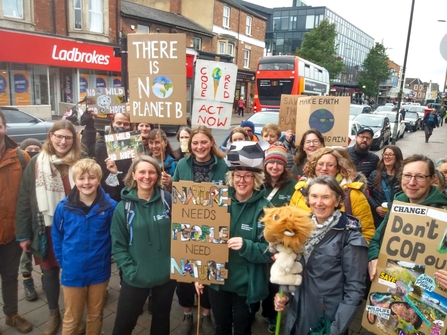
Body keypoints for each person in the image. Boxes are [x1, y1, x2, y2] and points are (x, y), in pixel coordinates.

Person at [275, 176, 368, 335]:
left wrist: (336, 328)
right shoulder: (300, 227)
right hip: (298, 309)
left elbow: (355, 288)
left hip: (326, 316)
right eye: (314, 196)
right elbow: (292, 266)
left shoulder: (349, 236)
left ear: (337, 200)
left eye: (326, 197)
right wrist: (284, 293)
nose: (319, 202)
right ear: (307, 199)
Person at [196, 140, 273, 334]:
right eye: (238, 175)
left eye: (248, 175)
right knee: (220, 328)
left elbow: (270, 251)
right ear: (231, 177)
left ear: (256, 178)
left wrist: (247, 245)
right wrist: (199, 272)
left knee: (242, 330)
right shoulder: (217, 201)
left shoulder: (267, 210)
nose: (242, 180)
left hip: (246, 287)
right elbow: (202, 238)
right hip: (217, 283)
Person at [16, 120, 83, 335]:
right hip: (46, 228)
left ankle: (75, 315)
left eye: (68, 137)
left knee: (75, 273)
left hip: (76, 230)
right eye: (59, 136)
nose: (63, 141)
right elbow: (24, 199)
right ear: (51, 136)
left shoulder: (80, 162)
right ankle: (54, 314)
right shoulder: (36, 162)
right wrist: (23, 234)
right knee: (50, 272)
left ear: (74, 140)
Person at [172, 126, 227, 335]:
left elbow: (228, 195)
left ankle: (206, 314)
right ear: (190, 145)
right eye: (195, 143)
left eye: (204, 142)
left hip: (213, 228)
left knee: (210, 274)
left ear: (211, 142)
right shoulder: (182, 165)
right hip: (186, 228)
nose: (199, 146)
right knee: (185, 276)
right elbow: (176, 193)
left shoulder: (223, 166)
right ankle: (187, 313)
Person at [52, 158, 117, 335]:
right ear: (74, 180)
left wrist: (108, 257)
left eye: (91, 178)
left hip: (99, 270)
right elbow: (57, 235)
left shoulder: (110, 207)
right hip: (72, 270)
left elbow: (115, 235)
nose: (86, 182)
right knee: (72, 317)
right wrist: (62, 260)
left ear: (99, 179)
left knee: (96, 315)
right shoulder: (63, 207)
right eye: (81, 178)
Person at [111, 156, 175, 335]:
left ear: (157, 175)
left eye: (151, 172)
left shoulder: (168, 201)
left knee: (162, 320)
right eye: (142, 172)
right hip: (136, 278)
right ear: (134, 175)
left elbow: (182, 234)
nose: (147, 176)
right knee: (124, 324)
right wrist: (131, 271)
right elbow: (118, 245)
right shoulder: (123, 208)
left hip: (166, 277)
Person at [368, 155, 447, 281]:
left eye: (420, 177)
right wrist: (373, 258)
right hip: (389, 283)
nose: (411, 182)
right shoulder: (398, 206)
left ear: (432, 179)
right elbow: (376, 241)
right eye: (407, 175)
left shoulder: (444, 214)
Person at [290, 147, 375, 243]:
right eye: (320, 164)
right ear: (314, 166)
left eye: (330, 165)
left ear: (338, 168)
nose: (324, 168)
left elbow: (367, 232)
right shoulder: (301, 191)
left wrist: (353, 254)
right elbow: (290, 224)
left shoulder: (353, 195)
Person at [0, 109, 33, 333]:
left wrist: (26, 230)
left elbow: (28, 197)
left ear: (4, 128)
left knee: (10, 276)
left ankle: (12, 314)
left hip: (10, 232)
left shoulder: (21, 157)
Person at [260, 142, 296, 333]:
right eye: (271, 163)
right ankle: (255, 308)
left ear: (284, 166)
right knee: (260, 275)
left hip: (281, 241)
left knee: (276, 280)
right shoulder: (258, 182)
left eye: (279, 163)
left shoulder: (292, 185)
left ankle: (272, 315)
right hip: (259, 236)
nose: (275, 167)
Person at [81, 110, 135, 201]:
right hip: (105, 196)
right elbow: (88, 153)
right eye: (119, 123)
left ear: (131, 126)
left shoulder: (135, 147)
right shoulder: (103, 144)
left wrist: (137, 163)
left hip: (128, 195)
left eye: (126, 124)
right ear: (112, 123)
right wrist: (89, 127)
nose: (122, 126)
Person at [18, 138, 43, 302]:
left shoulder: (42, 167)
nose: (33, 151)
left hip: (40, 218)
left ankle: (45, 277)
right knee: (25, 256)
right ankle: (27, 282)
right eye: (29, 149)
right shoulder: (20, 169)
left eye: (36, 148)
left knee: (42, 252)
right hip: (27, 218)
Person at [367, 145, 403, 228]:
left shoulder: (402, 176)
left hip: (396, 218)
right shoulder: (375, 174)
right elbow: (367, 193)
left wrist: (392, 208)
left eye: (390, 154)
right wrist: (376, 207)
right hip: (377, 218)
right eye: (385, 154)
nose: (387, 157)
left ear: (397, 157)